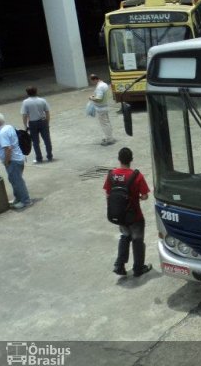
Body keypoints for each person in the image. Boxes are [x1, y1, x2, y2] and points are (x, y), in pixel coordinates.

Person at [103, 147, 152, 277]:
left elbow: (108, 194)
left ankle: (119, 265)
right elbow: (145, 195)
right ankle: (138, 268)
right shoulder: (137, 176)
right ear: (131, 160)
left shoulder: (111, 175)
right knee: (137, 240)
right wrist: (140, 197)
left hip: (120, 214)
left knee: (125, 236)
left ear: (119, 159)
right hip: (134, 215)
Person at [0, 113, 32, 209]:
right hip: (18, 158)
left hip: (12, 161)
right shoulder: (8, 127)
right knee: (13, 180)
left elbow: (8, 149)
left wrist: (6, 162)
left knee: (17, 181)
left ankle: (25, 201)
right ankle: (18, 198)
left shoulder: (2, 134)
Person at [21, 86, 53, 163]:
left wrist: (25, 125)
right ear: (36, 92)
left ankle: (39, 158)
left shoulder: (25, 102)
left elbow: (24, 115)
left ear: (27, 93)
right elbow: (47, 112)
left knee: (35, 142)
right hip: (43, 121)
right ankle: (49, 156)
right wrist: (47, 122)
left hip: (32, 123)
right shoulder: (42, 100)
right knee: (47, 140)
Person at [88, 73, 115, 145]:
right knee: (107, 123)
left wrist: (91, 98)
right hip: (105, 106)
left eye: (92, 81)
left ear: (95, 80)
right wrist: (95, 95)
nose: (92, 83)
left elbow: (99, 99)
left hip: (101, 108)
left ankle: (109, 139)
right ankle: (109, 137)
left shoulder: (99, 87)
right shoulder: (105, 84)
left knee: (104, 124)